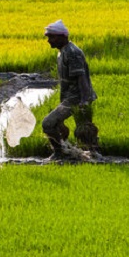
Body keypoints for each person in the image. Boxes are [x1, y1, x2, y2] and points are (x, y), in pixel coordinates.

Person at [41, 19, 99, 157]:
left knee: (48, 124)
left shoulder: (72, 52)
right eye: (48, 37)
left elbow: (81, 78)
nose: (49, 40)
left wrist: (84, 101)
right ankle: (92, 156)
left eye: (52, 37)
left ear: (63, 36)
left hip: (77, 98)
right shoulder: (62, 52)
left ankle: (61, 152)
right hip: (70, 98)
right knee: (84, 131)